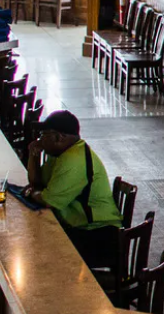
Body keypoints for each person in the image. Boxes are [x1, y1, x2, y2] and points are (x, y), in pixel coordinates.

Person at [23, 110, 121, 267]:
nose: (40, 139)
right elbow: (37, 181)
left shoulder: (73, 160)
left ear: (58, 137)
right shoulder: (61, 154)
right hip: (80, 226)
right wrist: (33, 154)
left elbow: (48, 200)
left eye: (44, 134)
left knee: (37, 249)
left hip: (98, 235)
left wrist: (31, 193)